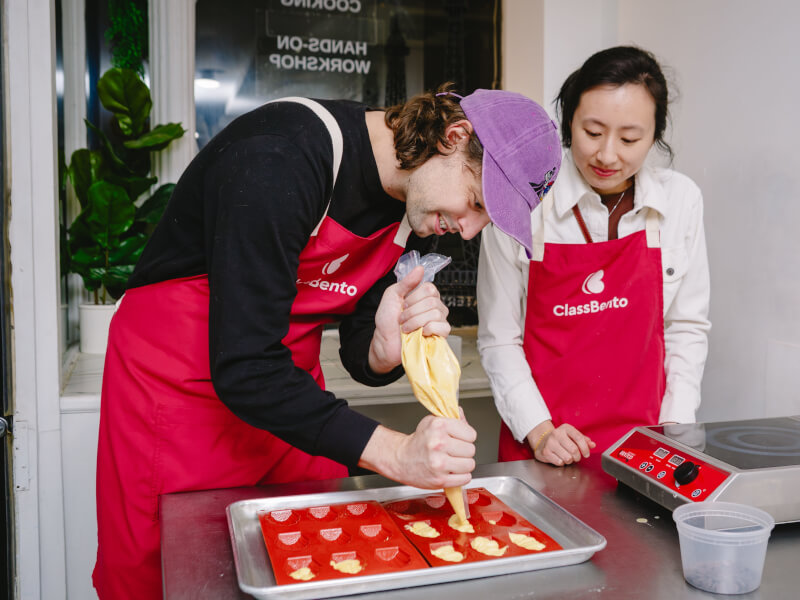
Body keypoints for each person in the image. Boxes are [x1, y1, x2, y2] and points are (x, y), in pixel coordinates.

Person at [92, 84, 562, 598]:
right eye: (476, 202)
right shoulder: (281, 156)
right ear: (453, 137)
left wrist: (385, 350)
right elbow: (246, 366)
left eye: (485, 221)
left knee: (318, 558)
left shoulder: (422, 205)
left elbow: (357, 346)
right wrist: (397, 453)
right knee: (175, 575)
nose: (467, 231)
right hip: (177, 391)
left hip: (290, 396)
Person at [477, 46, 710, 471]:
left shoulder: (681, 200)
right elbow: (499, 338)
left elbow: (686, 328)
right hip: (543, 449)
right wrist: (540, 430)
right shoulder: (521, 201)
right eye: (593, 131)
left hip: (647, 449)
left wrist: (675, 431)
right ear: (569, 120)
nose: (606, 155)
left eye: (629, 139)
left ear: (655, 134)